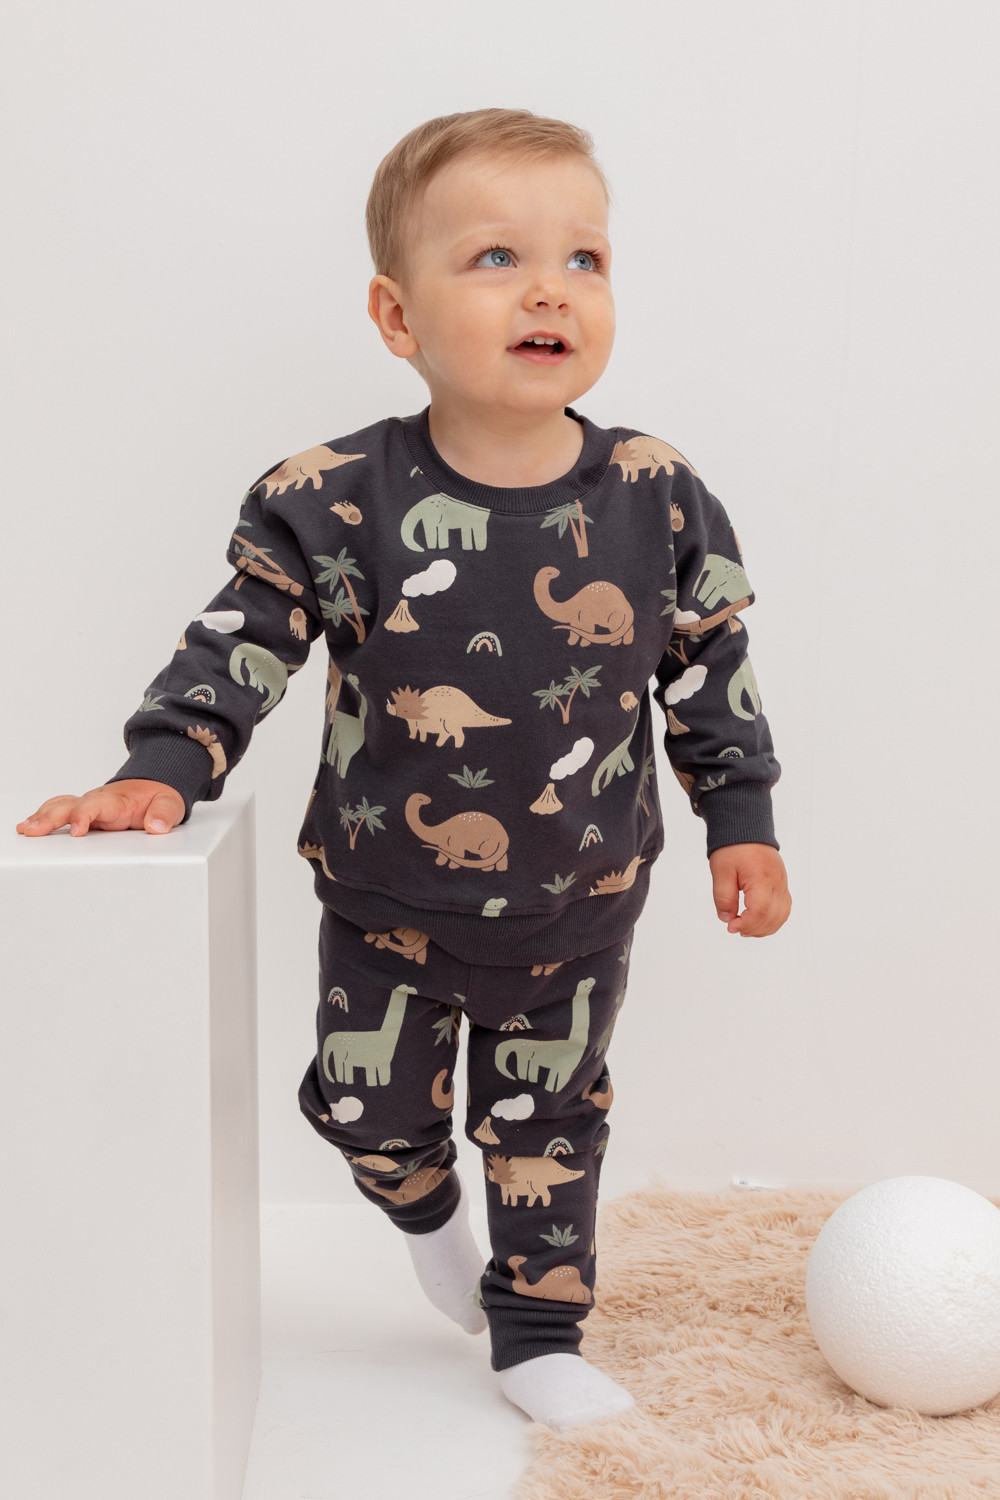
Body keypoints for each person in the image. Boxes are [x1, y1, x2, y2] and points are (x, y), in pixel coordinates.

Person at [16, 108, 791, 1430]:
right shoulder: (333, 496)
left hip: (577, 901)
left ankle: (535, 1333)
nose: (551, 289)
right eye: (496, 257)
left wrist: (744, 819)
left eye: (586, 258)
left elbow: (711, 668)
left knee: (549, 1124)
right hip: (384, 901)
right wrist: (166, 765)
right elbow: (242, 640)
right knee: (368, 1107)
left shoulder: (657, 493)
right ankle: (427, 1214)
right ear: (397, 315)